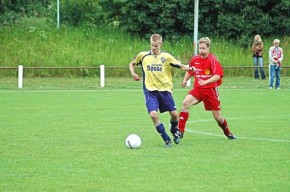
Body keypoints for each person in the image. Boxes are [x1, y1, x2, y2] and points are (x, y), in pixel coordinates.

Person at [129, 34, 192, 147]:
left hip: (165, 91)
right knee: (153, 115)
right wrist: (133, 73)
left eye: (156, 46)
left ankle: (174, 130)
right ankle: (167, 139)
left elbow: (180, 66)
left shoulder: (166, 57)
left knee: (174, 115)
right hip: (150, 91)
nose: (153, 48)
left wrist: (189, 68)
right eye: (152, 45)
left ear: (160, 44)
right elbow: (132, 63)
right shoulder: (143, 56)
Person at [177, 37, 236, 141]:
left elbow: (217, 76)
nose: (201, 51)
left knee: (218, 117)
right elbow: (190, 70)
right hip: (198, 89)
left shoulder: (212, 60)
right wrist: (185, 80)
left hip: (210, 91)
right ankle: (180, 132)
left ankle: (228, 133)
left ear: (208, 48)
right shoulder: (195, 59)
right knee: (185, 103)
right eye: (200, 48)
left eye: (203, 48)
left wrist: (205, 82)